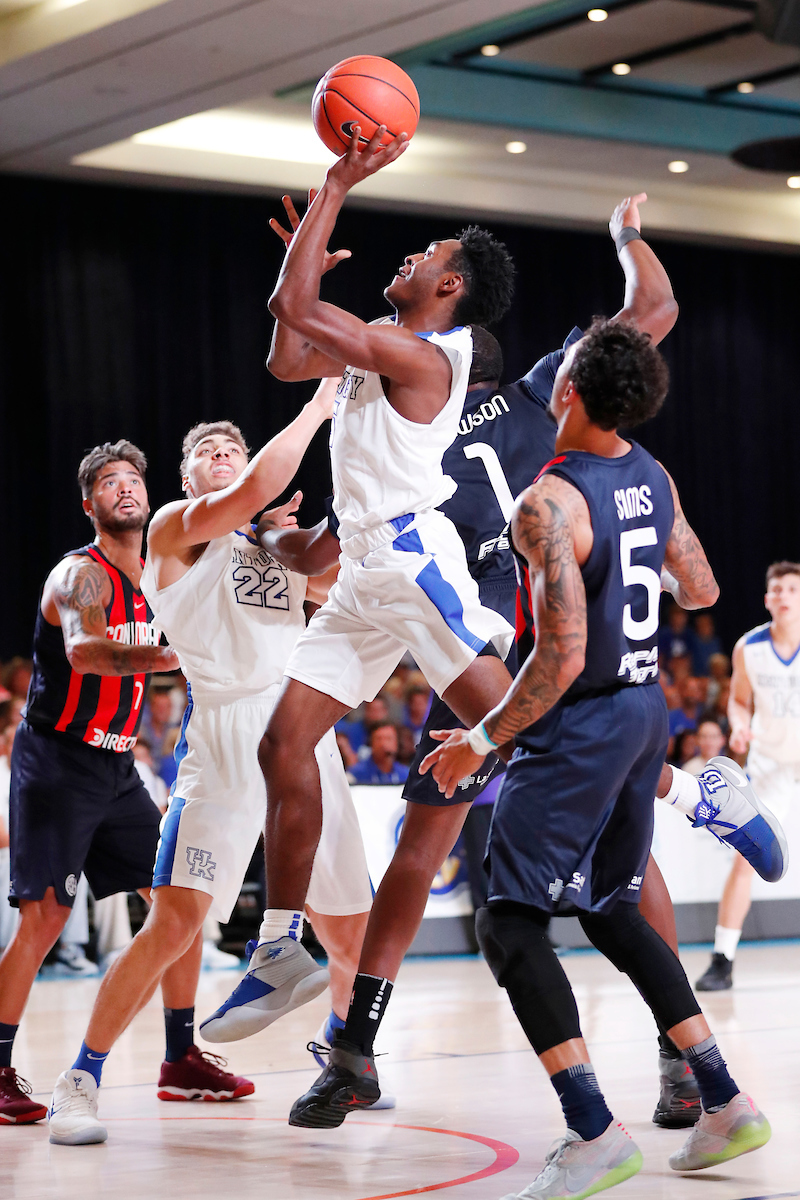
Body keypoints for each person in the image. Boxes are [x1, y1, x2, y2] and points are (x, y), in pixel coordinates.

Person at [421, 320, 771, 1197]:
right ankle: (725, 1100)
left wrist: (480, 738)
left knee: (507, 921)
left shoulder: (548, 502)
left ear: (567, 392)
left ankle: (591, 1130)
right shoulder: (650, 475)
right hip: (648, 712)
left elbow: (563, 654)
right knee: (614, 909)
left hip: (580, 726)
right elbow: (703, 588)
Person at [203, 124, 521, 1052]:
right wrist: (300, 542)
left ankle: (683, 787)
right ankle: (279, 948)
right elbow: (286, 351)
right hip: (359, 576)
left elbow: (295, 303)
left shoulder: (429, 354)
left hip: (415, 567)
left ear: (449, 288)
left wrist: (337, 184)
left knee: (523, 732)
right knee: (282, 743)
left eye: (427, 255)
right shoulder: (377, 348)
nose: (409, 256)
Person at [47, 393, 377, 1144]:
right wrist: (324, 403)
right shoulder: (172, 528)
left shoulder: (270, 546)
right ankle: (81, 1078)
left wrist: (333, 527)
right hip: (223, 738)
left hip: (299, 728)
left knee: (350, 930)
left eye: (235, 447)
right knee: (173, 923)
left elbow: (337, 576)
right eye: (210, 453)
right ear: (191, 477)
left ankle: (348, 1060)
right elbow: (257, 489)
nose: (224, 455)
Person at [0, 441, 183, 1126]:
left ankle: (182, 1057)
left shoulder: (162, 576)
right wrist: (171, 653)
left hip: (117, 765)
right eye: (110, 482)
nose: (125, 489)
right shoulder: (80, 574)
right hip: (58, 759)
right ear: (90, 504)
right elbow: (84, 650)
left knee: (177, 906)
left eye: (135, 478)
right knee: (43, 919)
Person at [695, 561, 800, 992]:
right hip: (770, 768)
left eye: (792, 589)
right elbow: (738, 701)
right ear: (766, 600)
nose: (784, 596)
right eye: (777, 590)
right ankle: (723, 960)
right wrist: (738, 722)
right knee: (745, 861)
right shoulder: (748, 648)